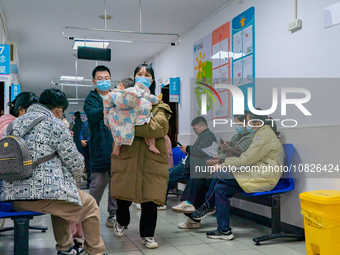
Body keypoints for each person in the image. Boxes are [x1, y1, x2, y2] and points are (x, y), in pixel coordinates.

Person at [0, 88, 107, 255]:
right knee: (90, 205)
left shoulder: (14, 124)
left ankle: (66, 248)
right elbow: (76, 164)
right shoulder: (55, 124)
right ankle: (97, 252)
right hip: (39, 196)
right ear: (59, 110)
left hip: (12, 195)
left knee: (64, 198)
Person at [193, 112, 283, 240]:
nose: (246, 126)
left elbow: (247, 159)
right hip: (256, 173)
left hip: (264, 177)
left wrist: (224, 164)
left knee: (220, 173)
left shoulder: (264, 135)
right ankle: (224, 230)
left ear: (258, 123)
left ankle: (207, 206)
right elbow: (247, 159)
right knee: (220, 189)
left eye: (248, 122)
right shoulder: (260, 133)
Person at [110, 64, 172, 249]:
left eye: (147, 75)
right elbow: (113, 121)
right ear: (135, 77)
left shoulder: (160, 105)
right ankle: (121, 222)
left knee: (150, 199)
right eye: (140, 74)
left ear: (152, 80)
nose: (143, 77)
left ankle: (148, 235)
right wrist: (139, 126)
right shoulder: (124, 100)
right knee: (123, 196)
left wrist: (127, 125)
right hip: (127, 156)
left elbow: (159, 128)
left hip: (151, 161)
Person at [178, 113, 255, 229]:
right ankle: (194, 214)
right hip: (228, 166)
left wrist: (222, 156)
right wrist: (222, 150)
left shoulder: (250, 138)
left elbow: (237, 153)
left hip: (236, 169)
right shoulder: (237, 137)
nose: (237, 126)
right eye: (236, 123)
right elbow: (228, 150)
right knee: (203, 179)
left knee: (203, 177)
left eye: (240, 123)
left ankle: (194, 207)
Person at [83, 65, 117, 228]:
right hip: (100, 148)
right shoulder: (91, 99)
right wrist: (107, 106)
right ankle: (89, 215)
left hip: (118, 148)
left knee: (116, 186)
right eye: (100, 79)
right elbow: (92, 114)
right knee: (97, 186)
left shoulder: (117, 96)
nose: (104, 81)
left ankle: (113, 215)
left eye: (106, 78)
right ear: (94, 81)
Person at [103, 78, 161, 156]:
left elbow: (106, 106)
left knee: (116, 129)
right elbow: (151, 98)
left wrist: (106, 120)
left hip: (121, 118)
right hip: (137, 117)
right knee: (147, 125)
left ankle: (117, 145)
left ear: (120, 85)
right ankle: (152, 144)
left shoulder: (113, 95)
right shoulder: (138, 92)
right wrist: (157, 100)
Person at [170, 116, 216, 213]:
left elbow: (202, 150)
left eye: (195, 129)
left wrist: (188, 149)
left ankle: (157, 201)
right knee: (168, 175)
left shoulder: (207, 135)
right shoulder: (204, 135)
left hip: (198, 167)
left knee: (168, 177)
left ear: (203, 125)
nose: (195, 131)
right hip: (194, 166)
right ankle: (191, 216)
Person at [79, 120, 91, 190]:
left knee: (92, 166)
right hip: (86, 147)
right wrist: (81, 140)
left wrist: (87, 140)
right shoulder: (86, 122)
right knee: (88, 165)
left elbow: (94, 133)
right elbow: (81, 132)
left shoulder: (96, 122)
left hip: (92, 147)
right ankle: (88, 182)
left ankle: (92, 183)